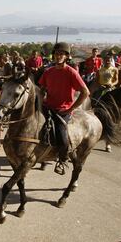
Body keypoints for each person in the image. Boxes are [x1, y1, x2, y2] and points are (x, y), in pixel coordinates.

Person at [38, 42, 90, 175]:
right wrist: (40, 99)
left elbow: (85, 92)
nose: (58, 56)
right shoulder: (48, 71)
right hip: (47, 107)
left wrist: (71, 108)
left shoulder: (71, 72)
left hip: (63, 110)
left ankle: (62, 160)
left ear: (66, 56)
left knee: (62, 136)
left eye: (61, 54)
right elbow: (41, 89)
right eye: (56, 54)